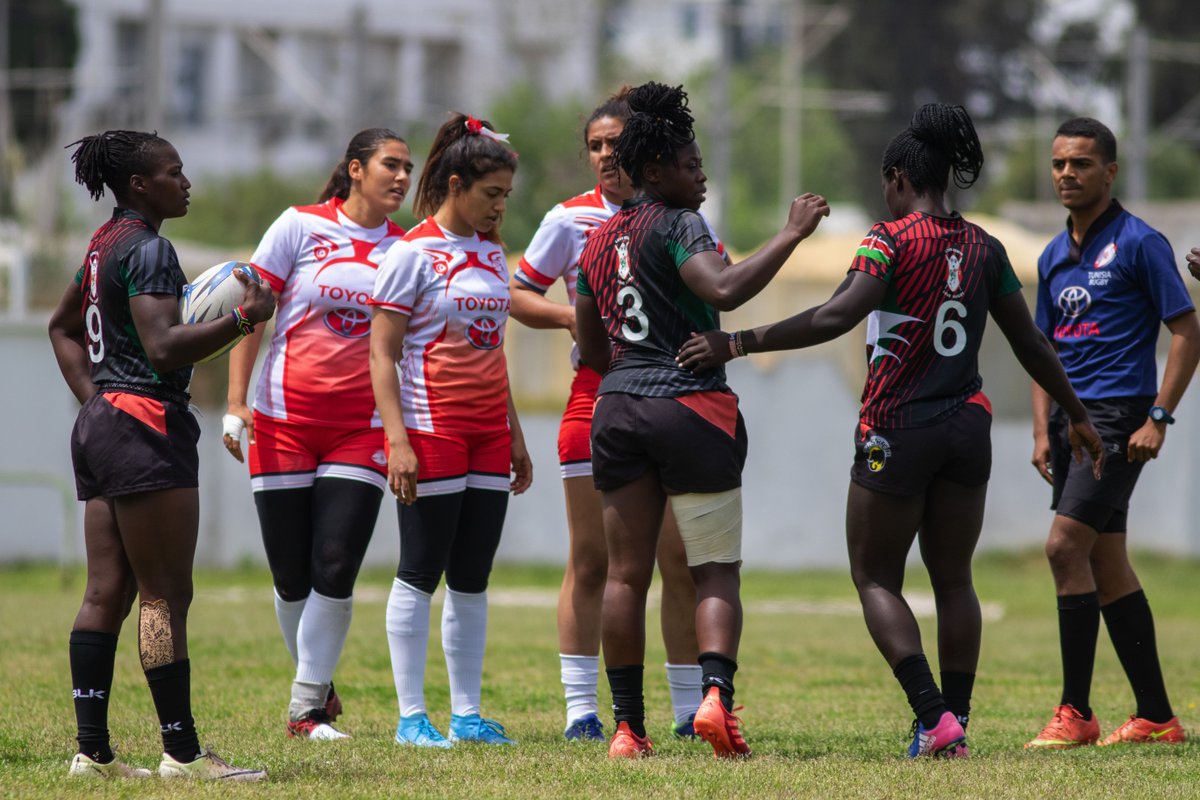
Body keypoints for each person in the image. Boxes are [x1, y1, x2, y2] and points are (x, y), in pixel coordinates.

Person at [676, 103, 1107, 758]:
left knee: (876, 576)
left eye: (886, 183)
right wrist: (1077, 414)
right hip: (967, 425)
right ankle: (952, 725)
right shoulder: (985, 248)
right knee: (953, 578)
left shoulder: (889, 240)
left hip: (898, 428)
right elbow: (1032, 345)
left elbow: (833, 317)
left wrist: (735, 340)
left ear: (900, 178)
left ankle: (934, 718)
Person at [574, 81, 830, 759]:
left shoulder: (597, 243)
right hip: (689, 408)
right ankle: (715, 699)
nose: (702, 175)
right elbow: (723, 288)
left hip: (618, 410)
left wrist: (632, 369)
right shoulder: (679, 222)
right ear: (656, 172)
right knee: (714, 570)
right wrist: (793, 233)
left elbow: (592, 351)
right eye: (691, 166)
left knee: (627, 577)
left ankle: (628, 729)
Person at [48, 130, 274, 780]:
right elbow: (165, 347)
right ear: (141, 185)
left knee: (106, 590)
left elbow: (62, 327)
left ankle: (92, 754)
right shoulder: (149, 249)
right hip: (144, 427)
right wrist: (243, 320)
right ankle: (182, 753)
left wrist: (98, 399)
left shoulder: (102, 244)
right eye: (175, 173)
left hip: (103, 428)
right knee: (163, 595)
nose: (186, 182)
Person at [510, 88, 719, 741]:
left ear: (642, 151)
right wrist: (577, 322)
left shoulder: (678, 216)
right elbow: (518, 291)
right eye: (594, 145)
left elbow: (716, 285)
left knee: (678, 560)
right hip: (595, 397)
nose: (604, 155)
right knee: (593, 560)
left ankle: (688, 712)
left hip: (668, 396)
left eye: (613, 144)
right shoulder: (570, 220)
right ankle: (581, 711)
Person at [221, 128, 414, 740]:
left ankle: (304, 710)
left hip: (361, 428)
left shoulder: (406, 248)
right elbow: (252, 312)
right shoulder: (298, 226)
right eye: (391, 164)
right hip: (282, 422)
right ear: (356, 170)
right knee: (289, 575)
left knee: (335, 562)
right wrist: (236, 403)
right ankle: (320, 682)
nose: (403, 177)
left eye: (409, 167)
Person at [1024, 117, 1199, 749]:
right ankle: (1155, 715)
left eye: (1081, 164)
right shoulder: (1050, 255)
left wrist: (1160, 416)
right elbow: (1040, 348)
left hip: (1118, 416)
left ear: (1110, 172)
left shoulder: (1140, 243)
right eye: (1059, 164)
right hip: (1070, 422)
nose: (1067, 174)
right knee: (1104, 559)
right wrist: (1044, 431)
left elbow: (1187, 330)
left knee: (1063, 549)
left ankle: (1075, 712)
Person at [369, 113, 532, 748]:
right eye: (491, 195)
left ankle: (466, 714)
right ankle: (412, 718)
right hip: (431, 431)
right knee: (420, 570)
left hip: (488, 434)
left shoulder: (492, 253)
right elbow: (382, 355)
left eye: (506, 198)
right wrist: (397, 440)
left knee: (472, 574)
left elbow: (494, 352)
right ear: (457, 184)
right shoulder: (410, 254)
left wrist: (514, 434)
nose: (499, 208)